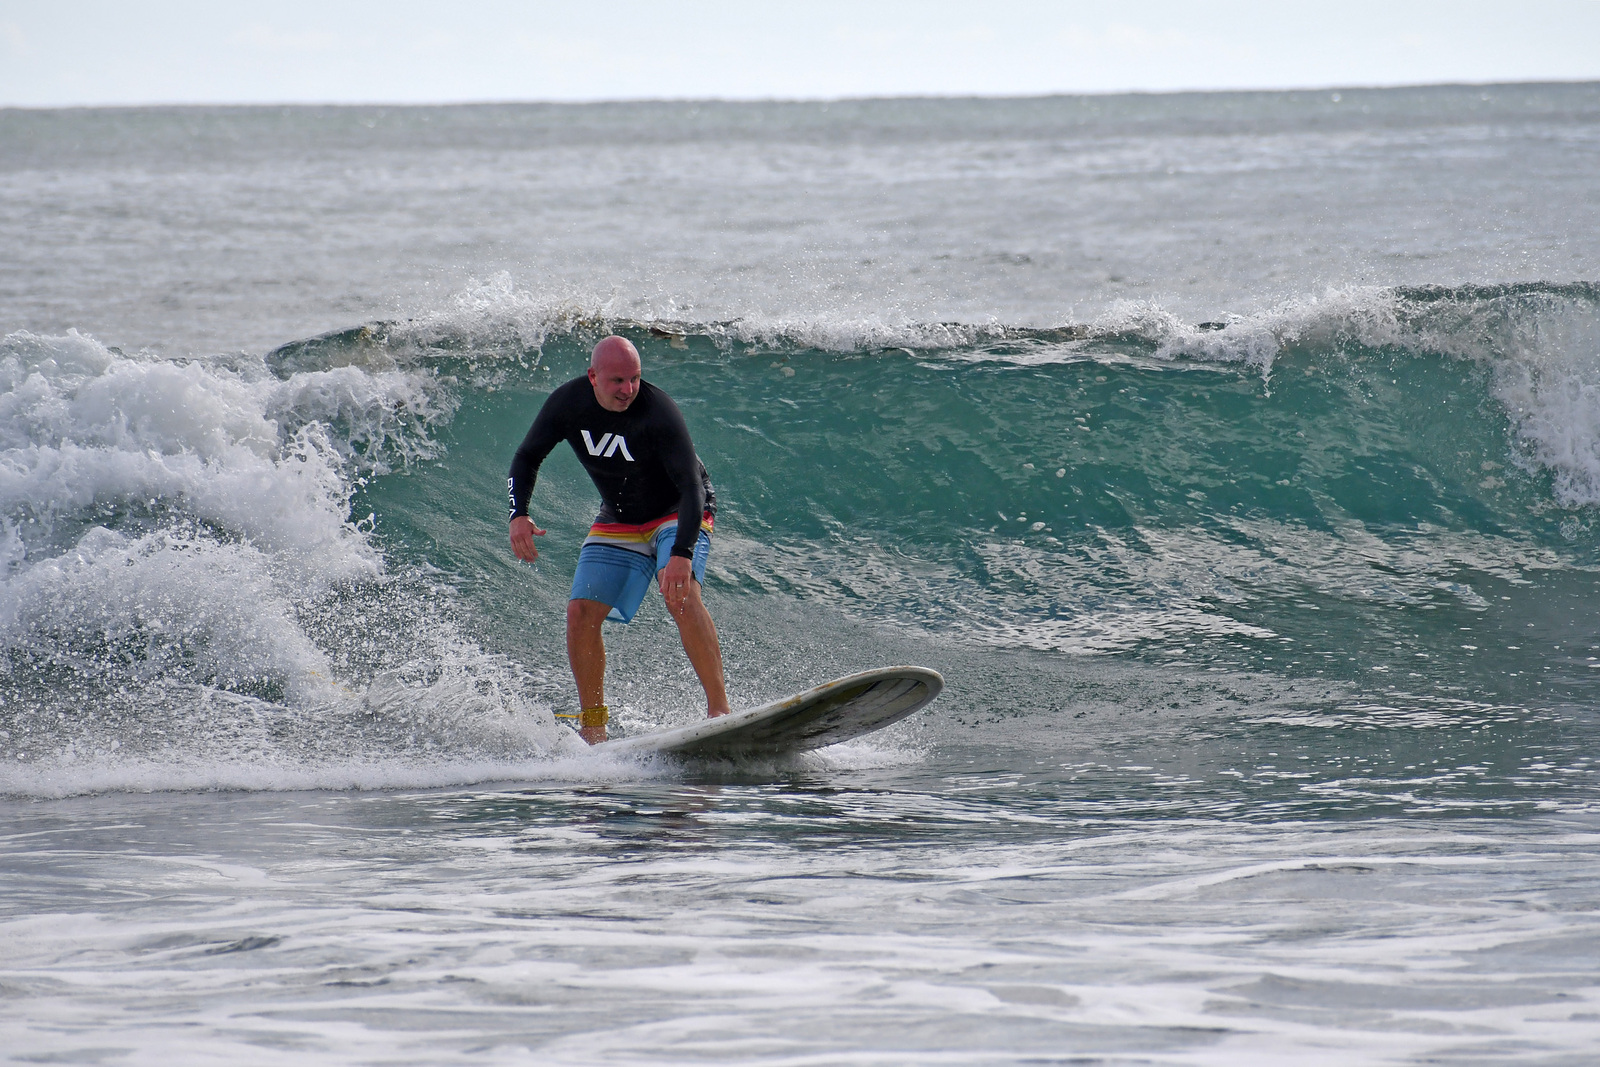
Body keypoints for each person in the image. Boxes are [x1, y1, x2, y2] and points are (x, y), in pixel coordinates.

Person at [508, 335, 729, 744]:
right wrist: (518, 513)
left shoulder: (658, 411)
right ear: (593, 377)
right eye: (617, 381)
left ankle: (720, 711)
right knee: (580, 613)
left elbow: (692, 488)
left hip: (677, 510)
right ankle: (594, 731)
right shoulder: (567, 404)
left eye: (635, 379)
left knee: (680, 593)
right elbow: (526, 456)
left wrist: (681, 553)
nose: (628, 390)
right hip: (621, 517)